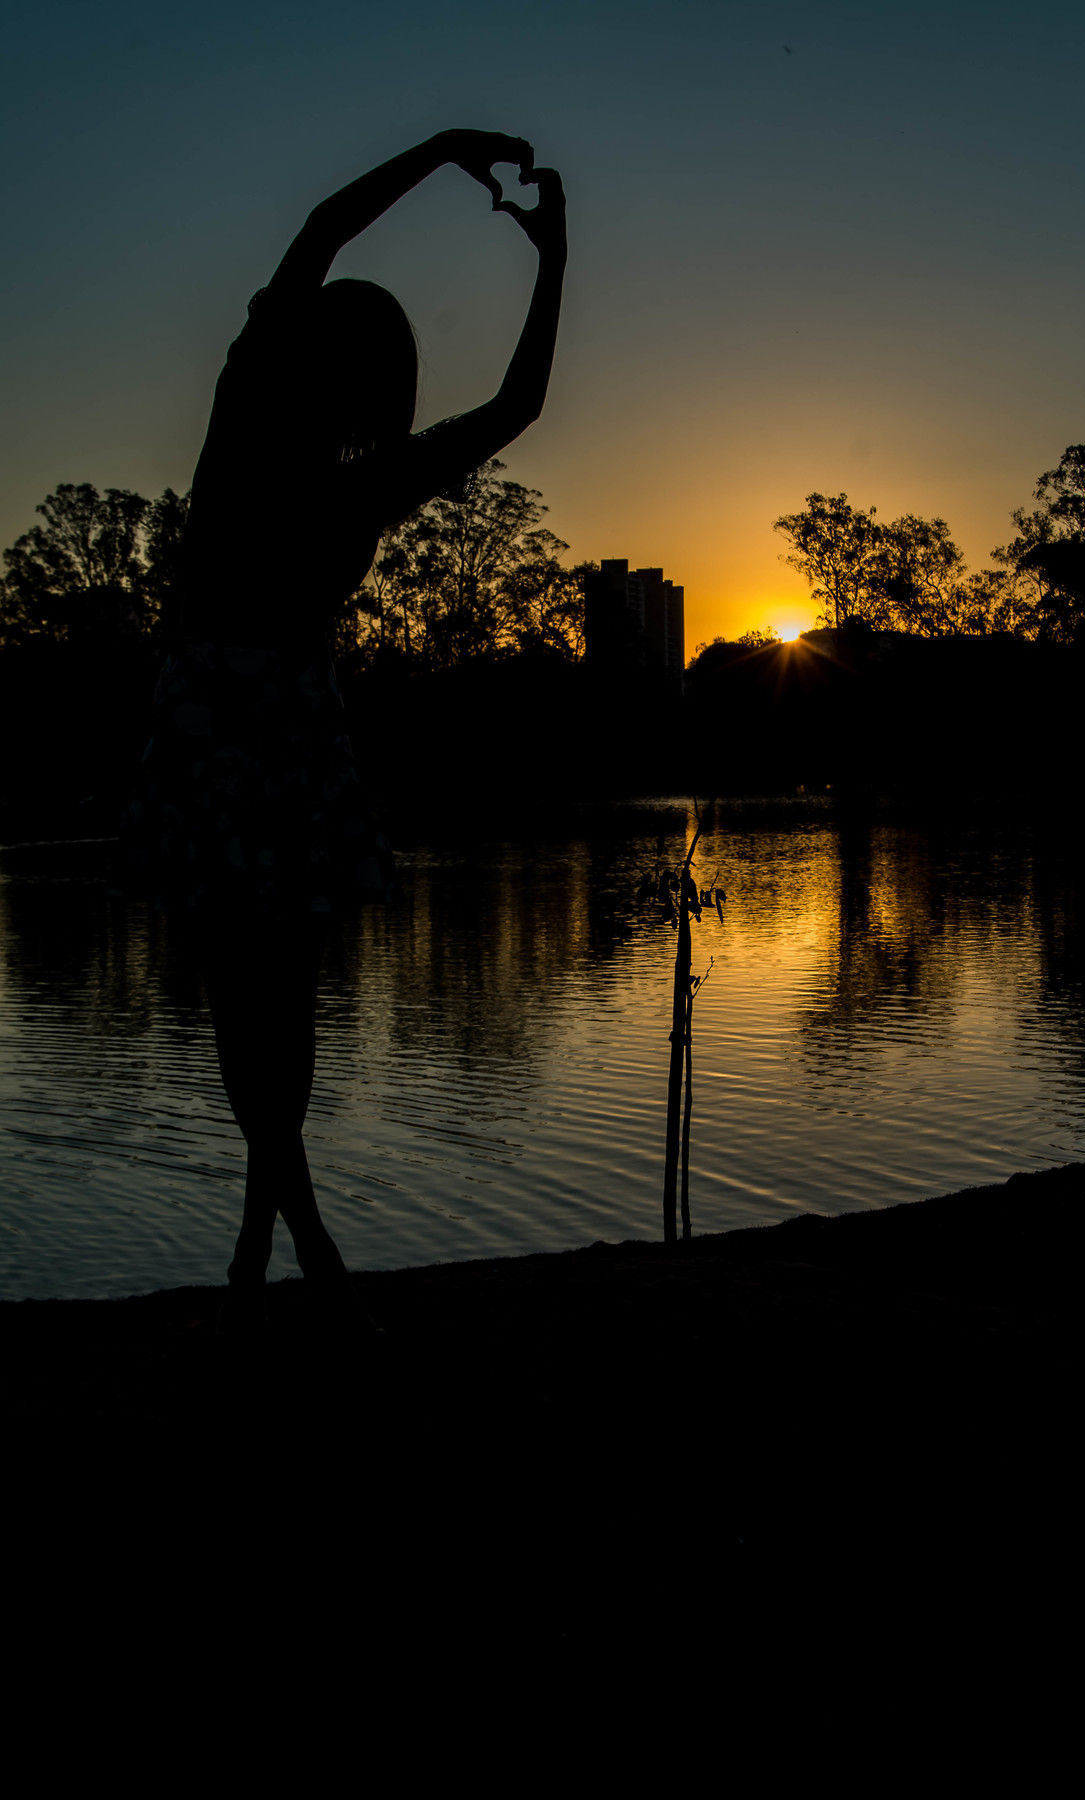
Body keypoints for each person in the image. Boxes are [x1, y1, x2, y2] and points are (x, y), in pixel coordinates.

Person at [122, 130, 566, 1334]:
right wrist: (552, 257)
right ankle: (288, 1226)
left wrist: (443, 155)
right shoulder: (330, 457)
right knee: (278, 995)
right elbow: (519, 400)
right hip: (274, 727)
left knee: (248, 994)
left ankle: (276, 1229)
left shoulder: (256, 410)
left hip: (227, 717)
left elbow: (322, 233)